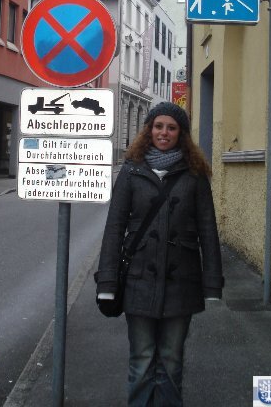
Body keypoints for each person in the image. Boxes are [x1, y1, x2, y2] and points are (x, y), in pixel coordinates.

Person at [95, 102, 224, 407]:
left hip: (182, 282)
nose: (164, 133)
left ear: (181, 134)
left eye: (171, 127)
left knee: (171, 360)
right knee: (141, 360)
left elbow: (208, 230)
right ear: (149, 130)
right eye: (158, 126)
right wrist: (107, 283)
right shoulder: (131, 171)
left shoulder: (194, 174)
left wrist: (212, 284)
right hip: (138, 279)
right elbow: (114, 228)